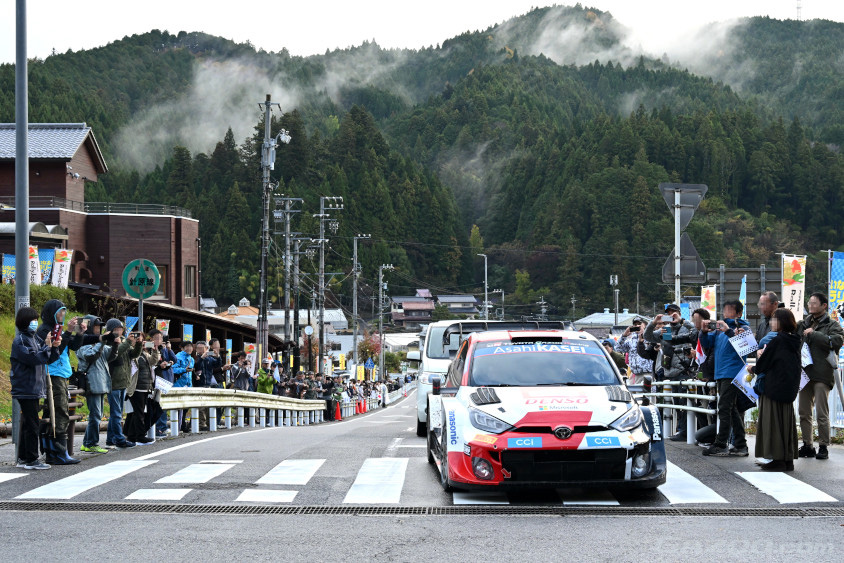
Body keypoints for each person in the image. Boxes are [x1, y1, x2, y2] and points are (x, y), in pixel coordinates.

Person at [747, 308, 800, 471]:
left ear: (781, 322)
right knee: (786, 423)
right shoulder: (795, 340)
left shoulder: (777, 341)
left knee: (773, 422)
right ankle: (787, 459)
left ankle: (777, 459)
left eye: (774, 320)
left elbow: (763, 365)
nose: (771, 322)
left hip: (773, 387)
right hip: (788, 388)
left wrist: (754, 366)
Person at [36, 299, 87, 465]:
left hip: (62, 373)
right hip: (53, 374)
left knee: (54, 411)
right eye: (59, 311)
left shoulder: (58, 329)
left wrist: (79, 333)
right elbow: (54, 351)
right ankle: (58, 452)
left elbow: (72, 346)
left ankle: (52, 451)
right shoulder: (44, 330)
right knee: (60, 410)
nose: (62, 315)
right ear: (51, 312)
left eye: (64, 312)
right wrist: (67, 333)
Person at [698, 300, 751, 457]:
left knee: (724, 407)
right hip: (721, 372)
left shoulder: (743, 328)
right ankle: (740, 444)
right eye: (725, 310)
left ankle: (721, 443)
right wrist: (704, 332)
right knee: (731, 408)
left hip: (732, 372)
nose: (726, 313)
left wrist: (729, 331)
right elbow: (707, 343)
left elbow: (747, 348)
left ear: (739, 313)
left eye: (730, 310)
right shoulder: (719, 330)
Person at [10, 307, 61, 469]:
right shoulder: (21, 341)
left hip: (32, 387)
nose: (35, 323)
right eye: (33, 320)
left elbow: (47, 358)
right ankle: (31, 459)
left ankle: (24, 458)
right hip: (26, 387)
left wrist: (54, 346)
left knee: (28, 423)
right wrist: (47, 347)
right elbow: (34, 358)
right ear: (25, 321)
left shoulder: (33, 338)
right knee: (32, 424)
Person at [797, 292, 844, 460]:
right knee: (803, 411)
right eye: (809, 302)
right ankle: (807, 445)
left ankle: (823, 446)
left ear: (824, 306)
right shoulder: (802, 324)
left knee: (821, 413)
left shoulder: (832, 324)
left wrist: (814, 334)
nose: (810, 305)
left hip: (822, 374)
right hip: (805, 373)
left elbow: (837, 341)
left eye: (814, 303)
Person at [77, 318, 118, 454]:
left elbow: (111, 356)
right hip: (92, 383)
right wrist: (101, 342)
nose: (99, 329)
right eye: (96, 326)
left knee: (97, 415)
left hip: (101, 383)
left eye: (100, 327)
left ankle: (86, 443)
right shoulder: (83, 345)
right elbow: (91, 356)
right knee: (95, 415)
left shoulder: (100, 344)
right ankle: (91, 443)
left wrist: (115, 345)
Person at [105, 319, 140, 448]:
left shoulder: (124, 341)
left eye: (121, 329)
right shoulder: (108, 342)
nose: (120, 331)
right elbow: (116, 351)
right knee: (116, 413)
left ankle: (110, 438)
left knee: (117, 412)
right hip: (113, 382)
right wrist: (127, 342)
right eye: (117, 329)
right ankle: (119, 439)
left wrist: (138, 344)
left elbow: (133, 354)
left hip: (123, 382)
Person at [124, 333, 160, 445]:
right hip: (136, 386)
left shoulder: (145, 353)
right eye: (137, 338)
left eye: (141, 339)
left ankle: (132, 436)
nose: (140, 340)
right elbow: (134, 358)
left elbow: (153, 361)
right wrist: (138, 346)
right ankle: (139, 436)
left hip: (145, 386)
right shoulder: (130, 351)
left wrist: (154, 350)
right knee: (138, 412)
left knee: (138, 412)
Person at [149, 329, 177, 437]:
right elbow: (150, 363)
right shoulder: (148, 348)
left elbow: (172, 360)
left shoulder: (162, 349)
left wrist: (165, 363)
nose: (159, 340)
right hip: (151, 381)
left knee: (160, 405)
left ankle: (160, 428)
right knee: (153, 406)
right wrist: (159, 365)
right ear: (150, 339)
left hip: (160, 380)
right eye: (157, 338)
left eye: (160, 338)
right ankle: (155, 428)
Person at [616, 317, 652, 385]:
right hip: (634, 373)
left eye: (639, 324)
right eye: (635, 325)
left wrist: (643, 333)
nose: (637, 326)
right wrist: (624, 335)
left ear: (645, 325)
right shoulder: (630, 340)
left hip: (647, 372)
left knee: (647, 394)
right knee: (634, 394)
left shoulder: (650, 336)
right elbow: (618, 348)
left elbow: (652, 345)